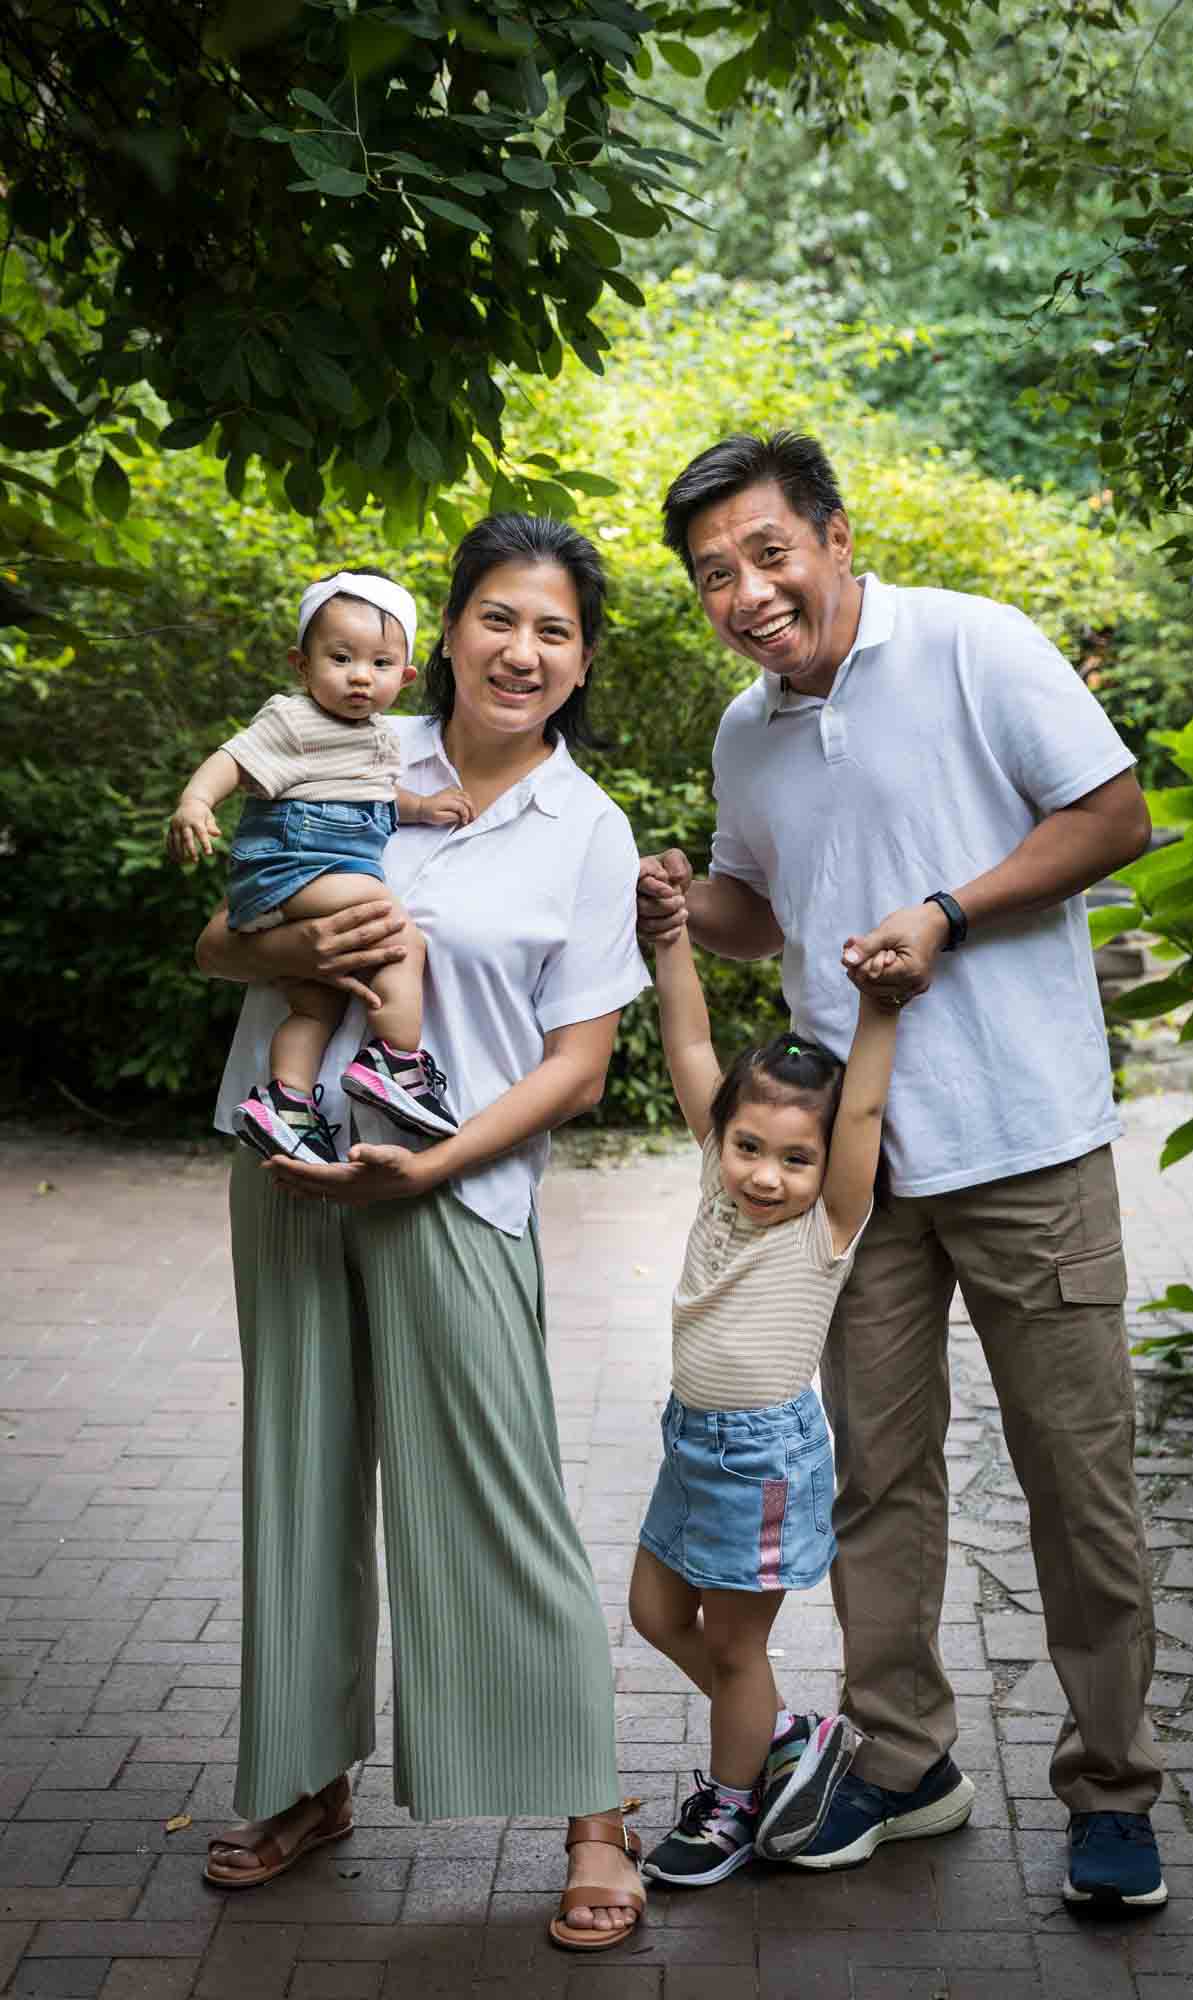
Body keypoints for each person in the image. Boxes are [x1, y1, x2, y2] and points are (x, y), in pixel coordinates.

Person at [636, 431, 1167, 1910]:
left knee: (1082, 1484)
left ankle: (1113, 1788)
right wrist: (687, 899)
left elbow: (1113, 816)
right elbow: (769, 909)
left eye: (765, 553)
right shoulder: (747, 732)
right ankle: (904, 1758)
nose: (744, 591)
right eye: (711, 574)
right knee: (873, 1478)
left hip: (1024, 1142)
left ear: (835, 535)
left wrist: (944, 910)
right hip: (846, 1179)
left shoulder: (973, 645)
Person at [193, 515, 651, 1952]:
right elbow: (219, 940)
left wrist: (438, 1159)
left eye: (556, 632)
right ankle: (301, 1783)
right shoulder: (353, 751)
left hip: (454, 1185)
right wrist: (295, 948)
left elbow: (580, 1062)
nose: (523, 651)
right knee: (301, 1478)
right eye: (500, 618)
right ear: (443, 631)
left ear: (580, 665)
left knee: (496, 1497)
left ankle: (591, 1810)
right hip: (287, 1157)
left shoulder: (587, 826)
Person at [628, 920, 899, 1887]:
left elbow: (859, 1115)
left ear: (824, 1169)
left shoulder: (828, 1222)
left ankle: (730, 1807)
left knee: (737, 1645)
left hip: (762, 1459)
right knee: (656, 1613)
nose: (762, 1175)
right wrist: (667, 942)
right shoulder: (718, 1180)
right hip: (690, 1441)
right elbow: (690, 1043)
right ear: (723, 1136)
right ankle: (785, 1730)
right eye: (748, 1146)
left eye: (792, 1158)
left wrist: (877, 1012)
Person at [168, 568, 472, 1162]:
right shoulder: (294, 719)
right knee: (396, 933)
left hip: (313, 872)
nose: (361, 676)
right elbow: (232, 758)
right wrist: (196, 802)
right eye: (341, 658)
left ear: (404, 677)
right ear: (302, 666)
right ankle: (395, 1059)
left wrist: (423, 807)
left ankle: (286, 1100)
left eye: (381, 665)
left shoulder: (380, 737)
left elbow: (375, 798)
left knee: (317, 1004)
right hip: (293, 864)